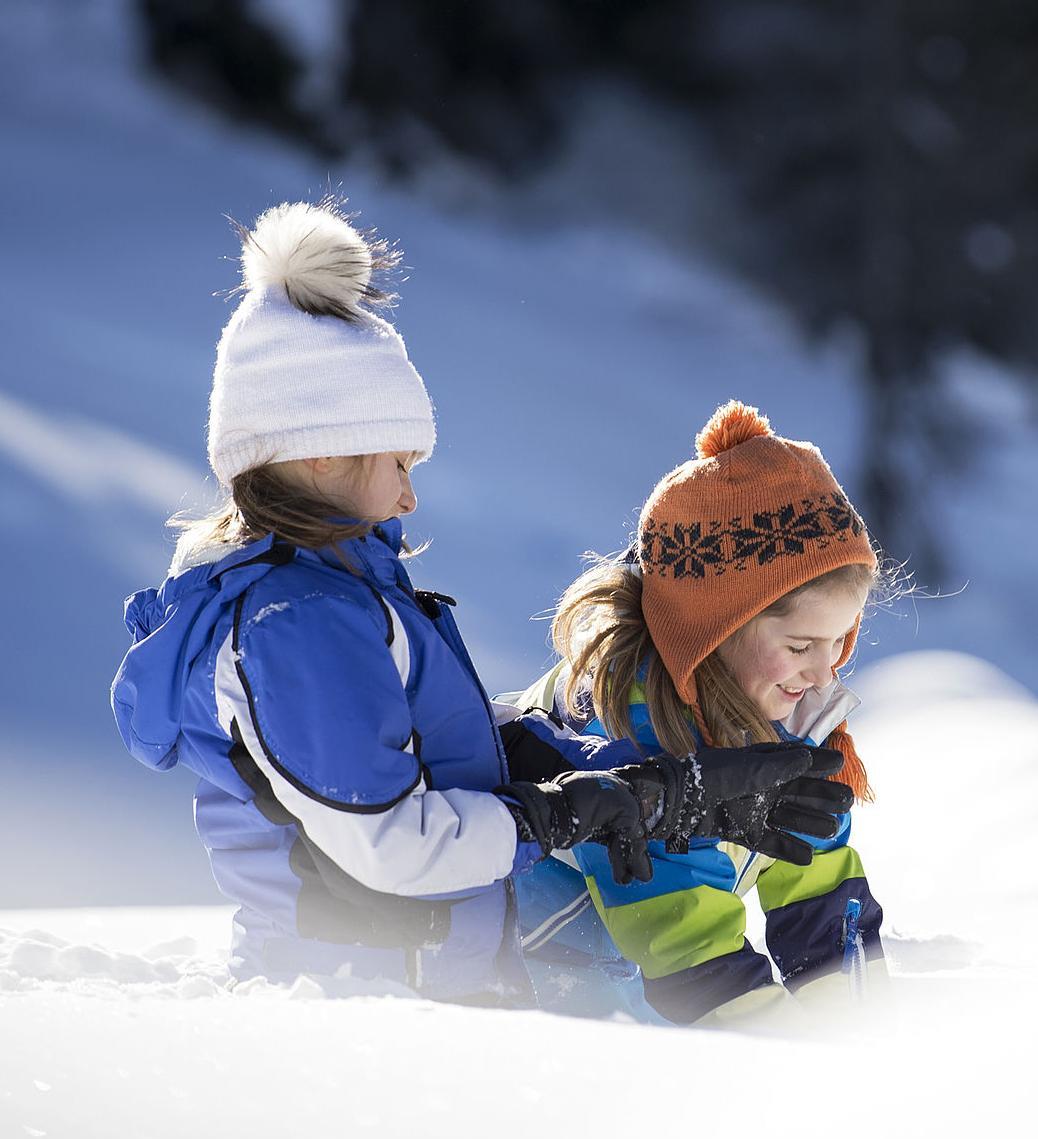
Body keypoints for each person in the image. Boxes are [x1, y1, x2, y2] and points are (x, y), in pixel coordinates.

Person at [109, 202, 850, 1006]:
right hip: (353, 1006)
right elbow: (389, 841)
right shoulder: (294, 623)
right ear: (320, 452)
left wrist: (662, 789)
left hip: (410, 989)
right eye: (398, 460)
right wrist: (555, 816)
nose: (410, 495)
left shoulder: (335, 596)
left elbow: (439, 750)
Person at [513, 399, 887, 1026]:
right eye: (801, 646)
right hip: (553, 979)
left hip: (651, 970)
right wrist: (793, 1054)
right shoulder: (631, 728)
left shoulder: (786, 702)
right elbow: (685, 940)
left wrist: (857, 1026)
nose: (826, 673)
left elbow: (821, 883)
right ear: (714, 631)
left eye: (840, 642)